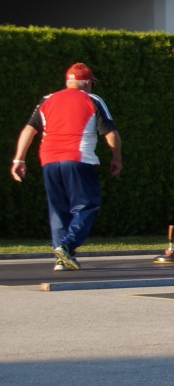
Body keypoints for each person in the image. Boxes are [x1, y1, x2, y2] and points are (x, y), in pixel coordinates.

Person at [9, 62, 122, 271]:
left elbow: (29, 130)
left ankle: (61, 259)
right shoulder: (92, 99)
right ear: (87, 83)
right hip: (80, 159)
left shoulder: (47, 100)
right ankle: (67, 246)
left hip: (49, 160)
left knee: (58, 209)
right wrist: (117, 158)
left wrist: (19, 159)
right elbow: (110, 133)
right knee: (86, 205)